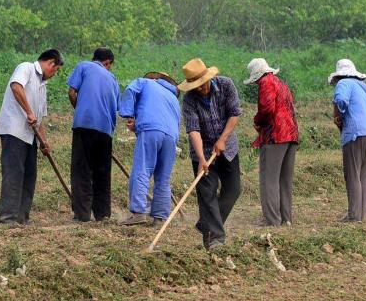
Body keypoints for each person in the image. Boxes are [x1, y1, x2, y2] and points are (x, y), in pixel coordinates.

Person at [178, 58, 242, 249]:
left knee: (233, 190)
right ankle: (215, 238)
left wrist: (222, 139)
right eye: (195, 86)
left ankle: (206, 224)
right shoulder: (189, 99)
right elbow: (193, 130)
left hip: (228, 147)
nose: (200, 88)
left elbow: (235, 113)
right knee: (207, 194)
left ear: (209, 78)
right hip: (203, 150)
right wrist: (201, 159)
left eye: (202, 84)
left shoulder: (226, 85)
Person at [0, 49, 63, 225]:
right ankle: (7, 217)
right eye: (55, 70)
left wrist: (44, 142)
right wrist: (28, 111)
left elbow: (39, 120)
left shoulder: (42, 86)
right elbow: (16, 87)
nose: (54, 74)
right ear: (51, 63)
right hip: (14, 130)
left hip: (30, 136)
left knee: (30, 175)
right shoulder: (26, 68)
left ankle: (22, 217)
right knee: (14, 173)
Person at [118, 71, 181, 225]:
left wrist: (129, 115)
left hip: (151, 130)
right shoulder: (173, 98)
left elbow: (130, 90)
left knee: (142, 170)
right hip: (171, 137)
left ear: (155, 78)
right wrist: (138, 126)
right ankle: (160, 218)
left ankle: (139, 213)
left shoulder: (145, 82)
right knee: (163, 178)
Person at [66, 48, 118, 222]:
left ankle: (82, 215)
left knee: (82, 170)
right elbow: (114, 106)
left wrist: (79, 109)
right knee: (102, 173)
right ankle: (102, 214)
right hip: (105, 131)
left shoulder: (84, 66)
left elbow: (72, 92)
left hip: (84, 125)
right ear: (108, 62)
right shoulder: (113, 79)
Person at [245, 58, 298, 226]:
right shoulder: (281, 83)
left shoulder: (266, 82)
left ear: (257, 75)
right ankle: (285, 218)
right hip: (290, 134)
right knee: (284, 179)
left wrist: (257, 121)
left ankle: (272, 220)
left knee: (269, 179)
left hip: (275, 135)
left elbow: (266, 108)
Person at [329, 59, 366, 222]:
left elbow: (341, 100)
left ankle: (353, 216)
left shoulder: (343, 83)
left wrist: (340, 116)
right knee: (363, 177)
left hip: (355, 133)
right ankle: (360, 216)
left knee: (352, 175)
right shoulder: (364, 88)